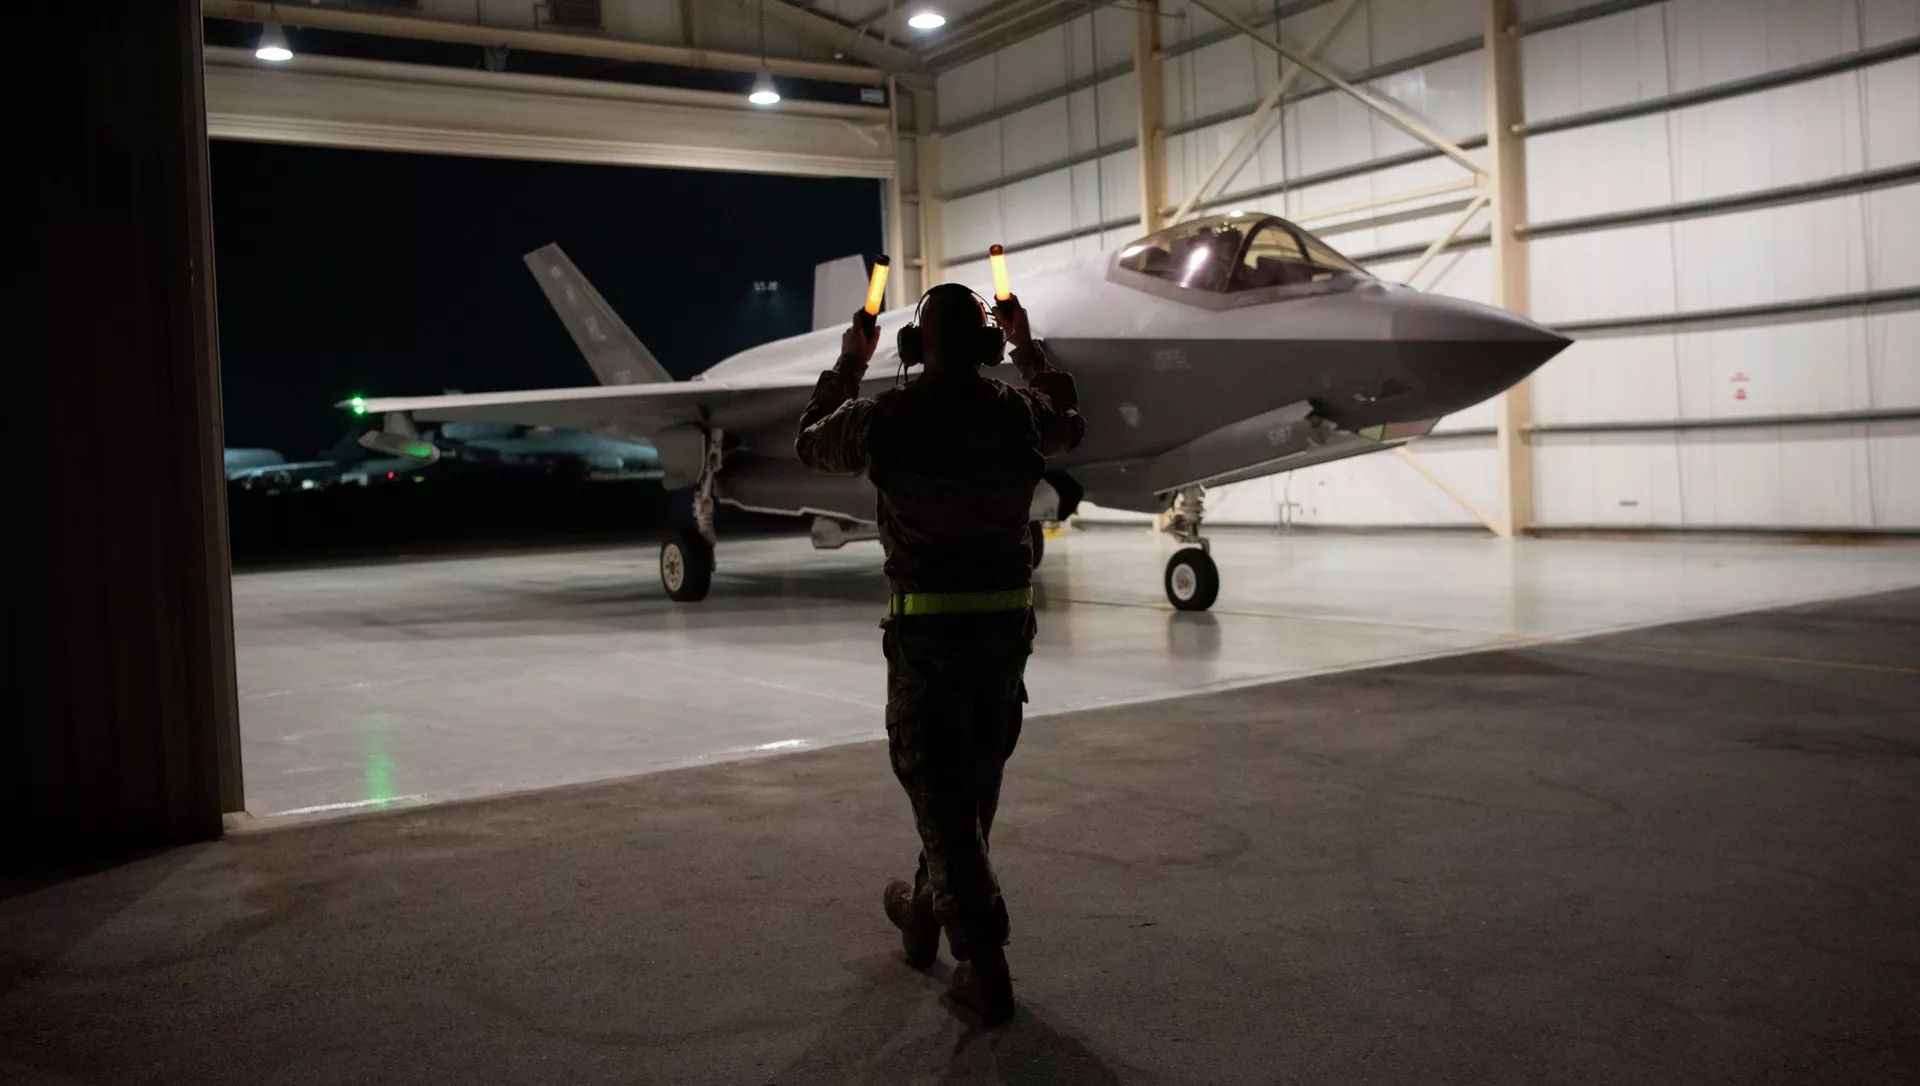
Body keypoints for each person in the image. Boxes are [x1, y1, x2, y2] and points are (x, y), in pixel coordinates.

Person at [795, 283, 1084, 1024]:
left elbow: (809, 440)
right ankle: (922, 916)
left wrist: (849, 362)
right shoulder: (1021, 413)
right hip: (1005, 639)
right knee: (966, 789)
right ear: (987, 347)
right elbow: (1071, 423)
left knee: (944, 798)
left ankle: (984, 964)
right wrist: (1027, 348)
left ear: (914, 349)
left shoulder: (884, 417)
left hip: (929, 639)